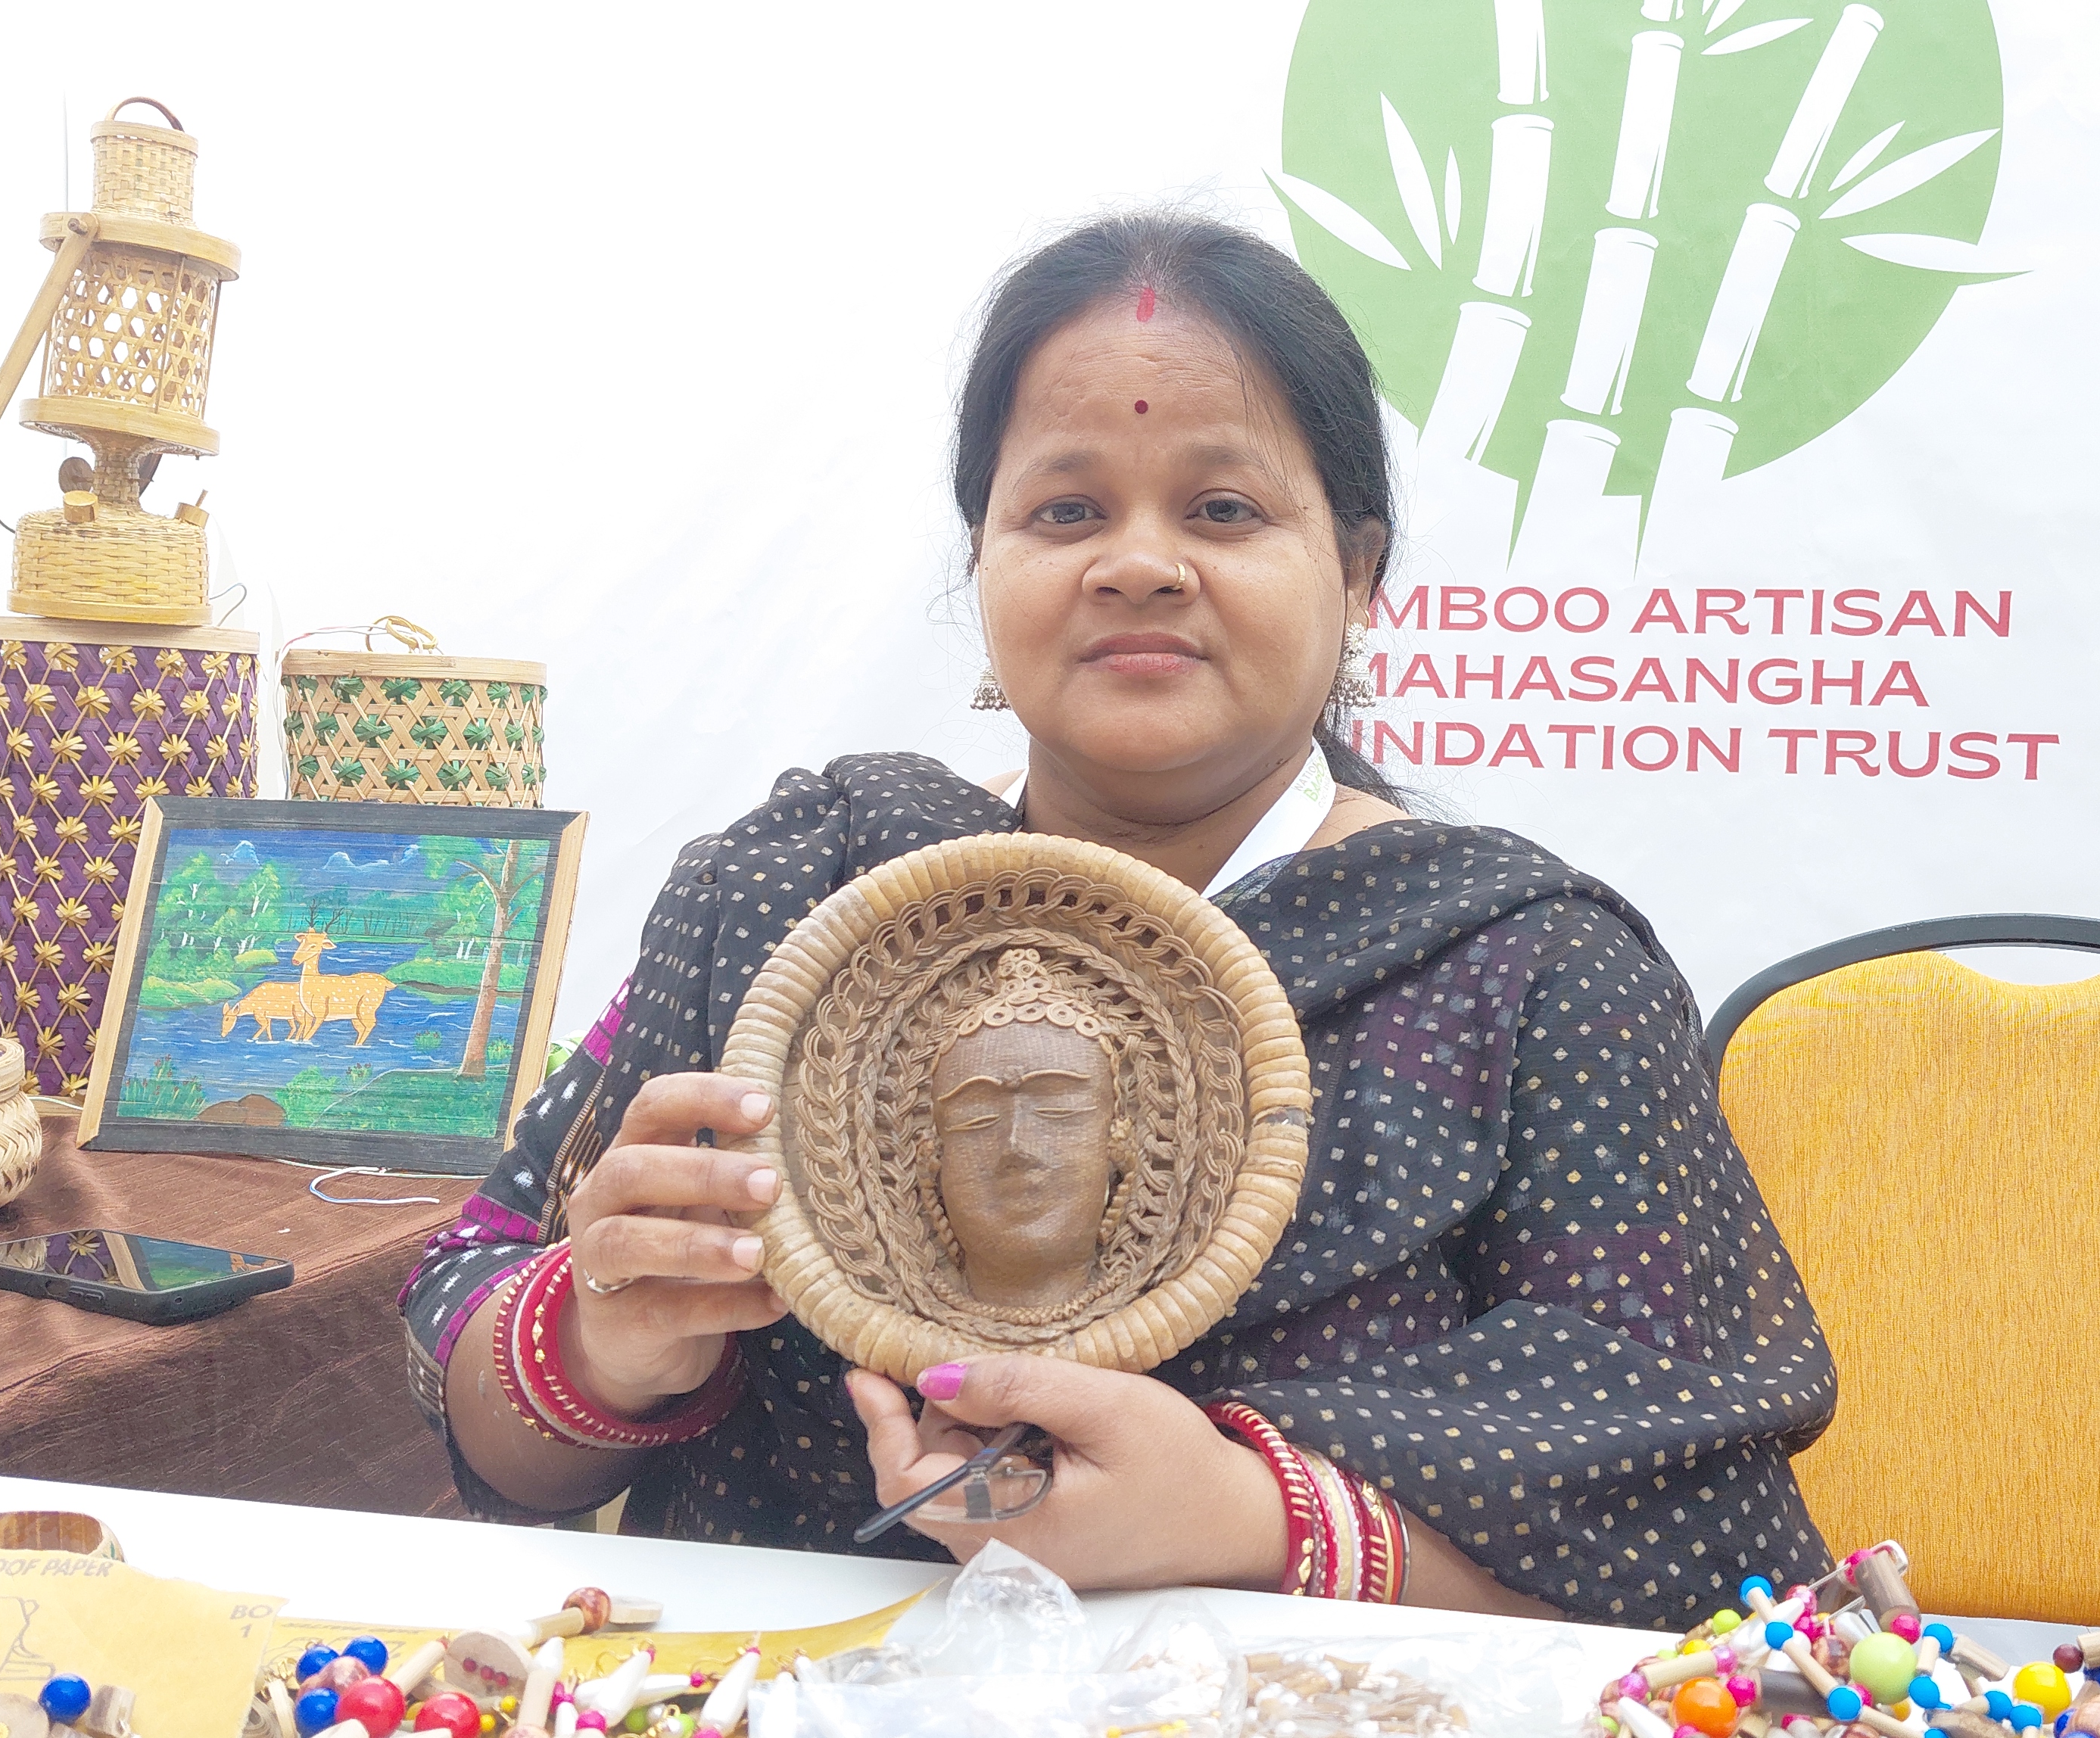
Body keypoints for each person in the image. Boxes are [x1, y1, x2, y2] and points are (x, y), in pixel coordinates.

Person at [400, 210, 1836, 1624]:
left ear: (1356, 572)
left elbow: (1707, 1553)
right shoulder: (791, 896)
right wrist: (603, 1339)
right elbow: (473, 1334)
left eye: (1223, 510)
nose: (1138, 563)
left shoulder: (1525, 968)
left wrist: (1247, 1525)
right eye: (1067, 511)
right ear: (981, 558)